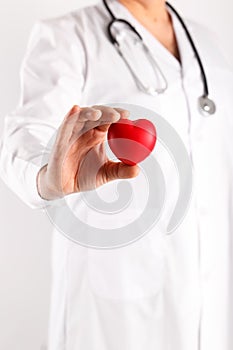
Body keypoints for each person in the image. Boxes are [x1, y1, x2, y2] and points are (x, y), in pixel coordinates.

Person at [0, 0, 233, 349]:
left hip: (207, 302)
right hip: (111, 308)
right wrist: (47, 175)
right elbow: (25, 136)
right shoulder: (69, 36)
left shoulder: (208, 45)